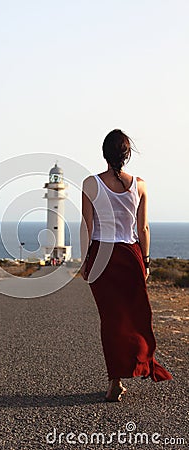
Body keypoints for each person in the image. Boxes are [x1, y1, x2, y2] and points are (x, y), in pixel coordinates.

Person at [80, 129, 173, 402]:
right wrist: (145, 261)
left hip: (101, 255)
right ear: (127, 154)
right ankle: (137, 363)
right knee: (134, 316)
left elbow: (88, 227)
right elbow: (142, 228)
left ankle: (115, 380)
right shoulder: (140, 185)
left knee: (111, 319)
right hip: (130, 254)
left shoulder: (90, 184)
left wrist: (84, 261)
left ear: (104, 154)